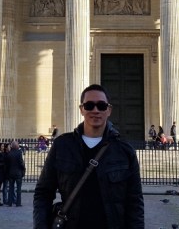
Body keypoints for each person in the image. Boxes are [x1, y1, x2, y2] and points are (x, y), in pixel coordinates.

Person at [34, 83, 144, 229]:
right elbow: (43, 193)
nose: (95, 110)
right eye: (89, 105)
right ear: (81, 109)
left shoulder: (124, 151)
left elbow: (135, 202)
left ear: (109, 110)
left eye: (101, 106)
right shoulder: (62, 146)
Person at [5, 140, 25, 207]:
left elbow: (7, 165)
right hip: (18, 173)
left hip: (11, 173)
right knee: (18, 189)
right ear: (16, 146)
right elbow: (21, 162)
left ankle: (10, 202)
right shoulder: (19, 153)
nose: (19, 145)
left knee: (11, 188)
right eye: (18, 144)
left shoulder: (9, 153)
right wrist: (23, 169)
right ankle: (18, 203)